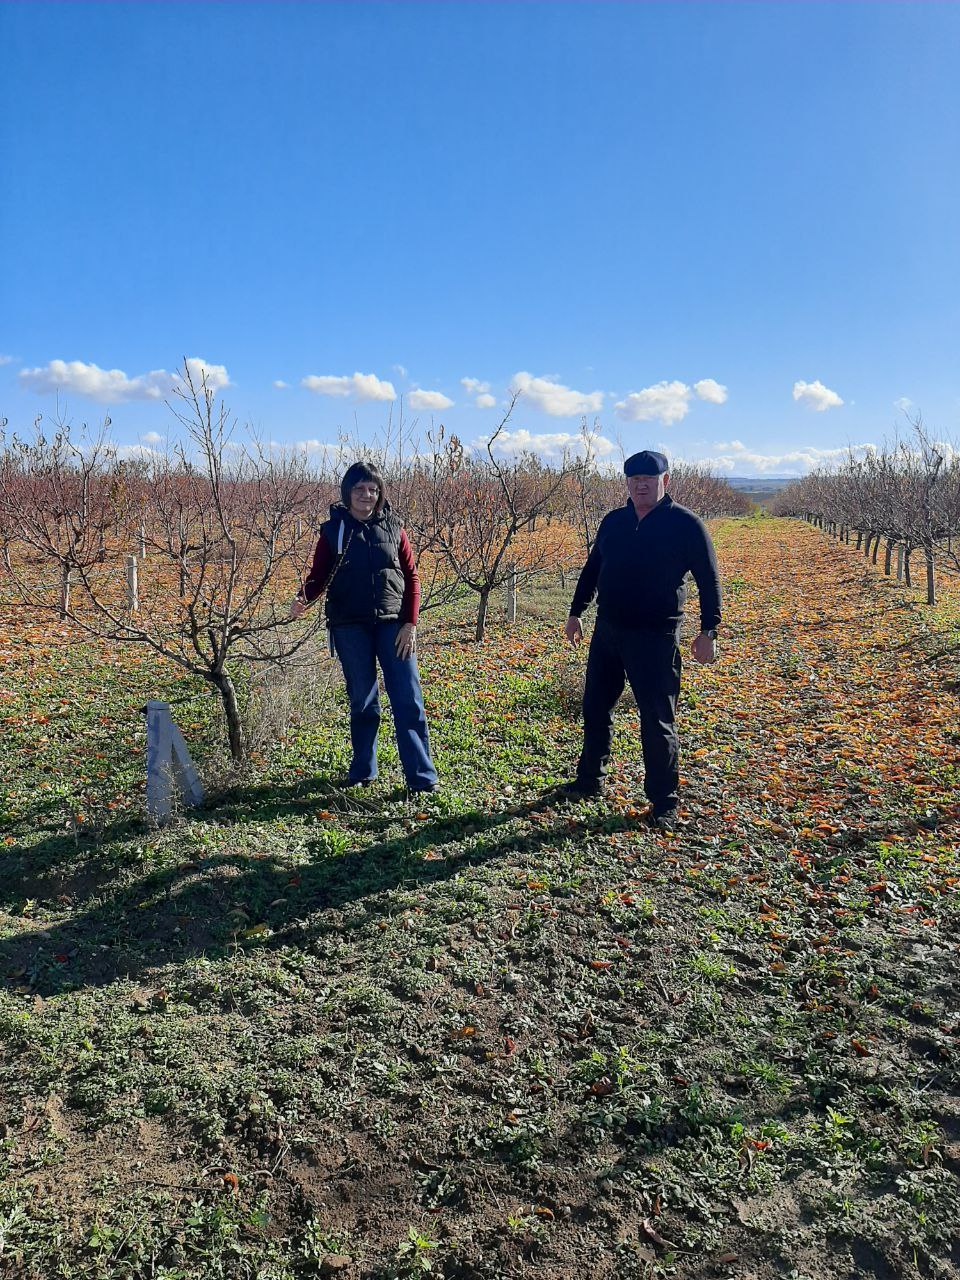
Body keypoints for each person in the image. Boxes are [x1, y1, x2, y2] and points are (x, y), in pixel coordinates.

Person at [561, 450, 721, 827]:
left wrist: (708, 629)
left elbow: (708, 578)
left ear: (666, 480)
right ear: (627, 483)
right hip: (608, 630)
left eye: (650, 478)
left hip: (655, 636)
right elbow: (593, 568)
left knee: (656, 718)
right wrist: (575, 611)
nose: (642, 485)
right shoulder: (614, 522)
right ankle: (590, 780)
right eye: (635, 479)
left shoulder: (685, 524)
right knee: (596, 707)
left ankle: (664, 801)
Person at [290, 461, 438, 793]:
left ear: (380, 493)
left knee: (408, 699)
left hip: (393, 625)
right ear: (348, 492)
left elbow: (412, 576)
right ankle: (362, 772)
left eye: (373, 489)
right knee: (363, 701)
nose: (366, 496)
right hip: (349, 627)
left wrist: (410, 623)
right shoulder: (334, 531)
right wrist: (302, 598)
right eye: (359, 489)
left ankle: (422, 779)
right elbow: (319, 576)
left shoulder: (394, 527)